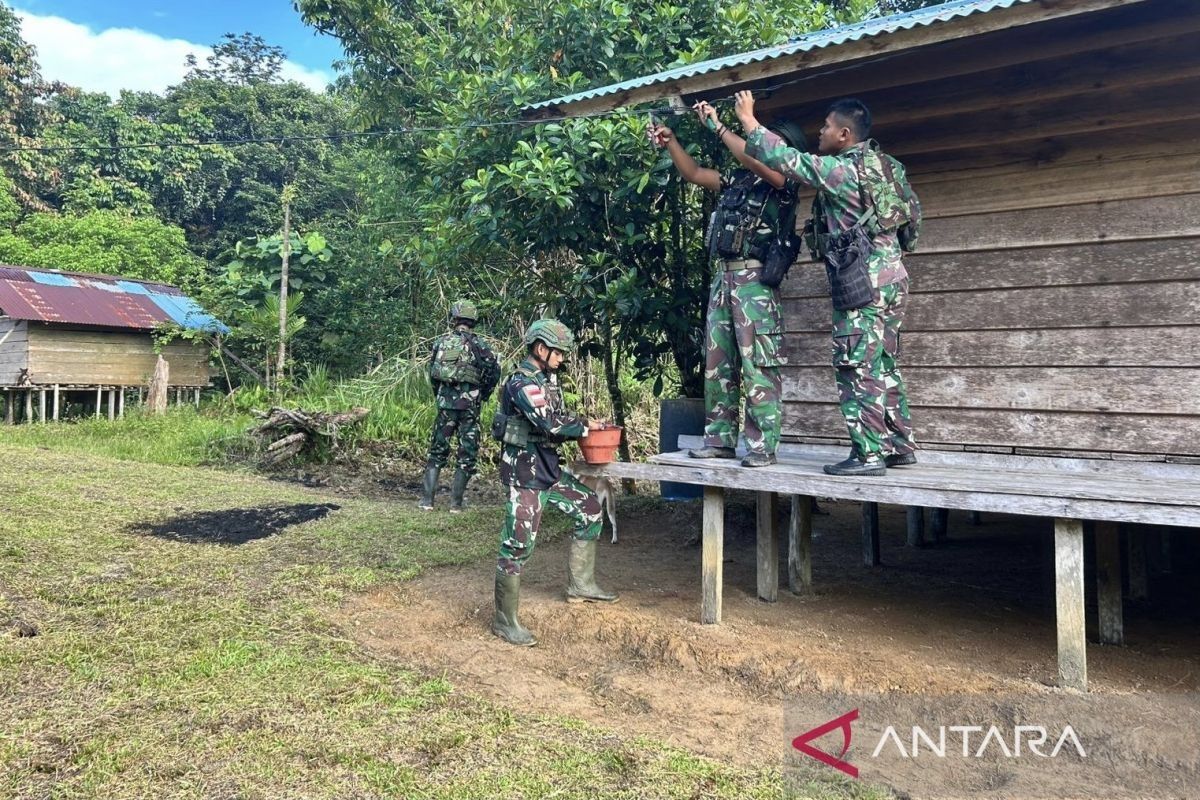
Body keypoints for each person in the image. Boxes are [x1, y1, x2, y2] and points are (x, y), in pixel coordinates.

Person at [733, 92, 916, 476]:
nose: (821, 131)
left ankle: (868, 455)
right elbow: (913, 223)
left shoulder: (841, 171)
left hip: (861, 280)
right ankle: (899, 446)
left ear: (845, 134)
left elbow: (788, 161)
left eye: (827, 127)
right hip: (894, 276)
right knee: (883, 362)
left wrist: (749, 121)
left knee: (856, 364)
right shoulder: (889, 167)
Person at [648, 103, 805, 467]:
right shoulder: (741, 179)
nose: (759, 143)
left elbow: (761, 160)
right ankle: (719, 440)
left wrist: (719, 128)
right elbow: (695, 173)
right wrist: (672, 142)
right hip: (725, 277)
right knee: (718, 363)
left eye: (770, 141)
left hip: (756, 282)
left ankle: (763, 446)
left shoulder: (783, 180)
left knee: (758, 366)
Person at [491, 319, 617, 647]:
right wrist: (586, 427)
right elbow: (549, 422)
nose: (561, 358)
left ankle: (582, 585)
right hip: (525, 474)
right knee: (518, 544)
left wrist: (583, 423)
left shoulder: (547, 380)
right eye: (558, 352)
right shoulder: (521, 383)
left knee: (590, 509)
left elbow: (558, 419)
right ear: (541, 348)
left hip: (546, 470)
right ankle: (504, 621)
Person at [420, 299, 499, 511]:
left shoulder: (441, 343)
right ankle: (456, 504)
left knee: (437, 450)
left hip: (446, 405)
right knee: (467, 453)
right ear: (473, 320)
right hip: (469, 406)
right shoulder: (481, 346)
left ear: (454, 318)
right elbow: (494, 372)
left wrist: (441, 395)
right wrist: (483, 394)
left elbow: (433, 374)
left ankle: (427, 501)